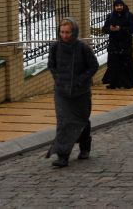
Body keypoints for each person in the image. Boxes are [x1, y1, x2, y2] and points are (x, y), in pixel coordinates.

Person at [47, 17, 99, 168]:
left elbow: (93, 66)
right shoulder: (55, 48)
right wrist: (59, 78)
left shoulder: (83, 48)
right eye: (62, 32)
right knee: (64, 122)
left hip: (80, 92)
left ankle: (85, 146)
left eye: (67, 32)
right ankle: (63, 156)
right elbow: (51, 65)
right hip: (61, 92)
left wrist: (80, 80)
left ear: (74, 32)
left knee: (81, 121)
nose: (64, 35)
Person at [101, 0, 133, 89]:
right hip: (114, 46)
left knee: (126, 65)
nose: (119, 7)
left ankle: (128, 83)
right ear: (114, 7)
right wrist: (110, 29)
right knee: (113, 65)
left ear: (123, 6)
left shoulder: (129, 16)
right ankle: (114, 83)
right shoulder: (110, 16)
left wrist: (120, 29)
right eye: (117, 6)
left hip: (126, 45)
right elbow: (104, 29)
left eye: (120, 5)